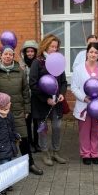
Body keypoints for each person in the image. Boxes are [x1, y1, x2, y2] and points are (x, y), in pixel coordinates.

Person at [0, 46, 43, 176]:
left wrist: (27, 108)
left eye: (10, 55)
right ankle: (7, 169)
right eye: (5, 54)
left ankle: (30, 164)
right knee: (5, 140)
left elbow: (25, 91)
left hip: (17, 110)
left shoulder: (20, 71)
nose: (7, 56)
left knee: (23, 138)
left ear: (13, 56)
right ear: (1, 55)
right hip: (1, 113)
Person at [29, 34, 68, 166]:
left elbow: (63, 81)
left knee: (57, 127)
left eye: (56, 47)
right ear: (45, 45)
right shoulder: (37, 62)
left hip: (56, 102)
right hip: (41, 102)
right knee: (43, 129)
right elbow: (33, 84)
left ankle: (55, 152)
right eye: (51, 46)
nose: (54, 49)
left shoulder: (58, 61)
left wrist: (62, 93)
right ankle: (45, 153)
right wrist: (46, 99)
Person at [71, 42, 98, 164]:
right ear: (87, 53)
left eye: (96, 52)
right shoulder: (78, 69)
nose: (93, 54)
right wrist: (84, 98)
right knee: (84, 131)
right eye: (91, 52)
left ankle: (94, 153)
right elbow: (74, 87)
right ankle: (85, 154)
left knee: (97, 130)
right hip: (84, 105)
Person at [20, 40, 41, 151]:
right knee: (27, 121)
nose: (30, 54)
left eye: (32, 51)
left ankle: (37, 142)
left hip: (36, 96)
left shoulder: (38, 63)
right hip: (25, 97)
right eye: (28, 51)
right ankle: (29, 143)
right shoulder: (21, 65)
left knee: (36, 121)